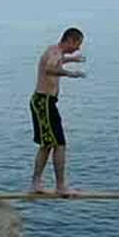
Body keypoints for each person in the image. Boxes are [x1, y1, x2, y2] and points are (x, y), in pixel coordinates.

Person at [30, 28, 86, 196]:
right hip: (44, 102)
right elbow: (49, 68)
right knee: (59, 145)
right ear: (70, 40)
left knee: (47, 145)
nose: (78, 48)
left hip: (43, 102)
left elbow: (56, 60)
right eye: (77, 45)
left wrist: (71, 59)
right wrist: (70, 73)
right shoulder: (55, 53)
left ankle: (36, 184)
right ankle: (60, 186)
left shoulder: (55, 50)